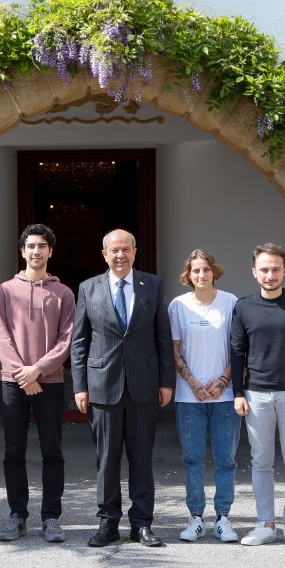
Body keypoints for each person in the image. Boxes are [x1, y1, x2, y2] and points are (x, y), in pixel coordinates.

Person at [71, 228, 173, 548]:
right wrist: (80, 386)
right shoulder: (88, 288)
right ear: (104, 255)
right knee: (107, 460)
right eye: (114, 250)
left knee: (142, 459)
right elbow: (79, 341)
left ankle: (142, 524)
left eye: (126, 249)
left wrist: (166, 381)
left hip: (144, 385)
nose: (120, 255)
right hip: (102, 386)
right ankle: (108, 523)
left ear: (135, 252)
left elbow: (163, 337)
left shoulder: (152, 285)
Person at [0, 223, 76, 543]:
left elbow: (67, 339)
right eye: (30, 246)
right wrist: (21, 373)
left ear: (50, 251)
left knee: (52, 450)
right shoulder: (4, 291)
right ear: (22, 251)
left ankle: (51, 517)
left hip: (50, 383)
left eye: (42, 246)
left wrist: (37, 370)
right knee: (14, 451)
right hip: (13, 383)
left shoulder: (63, 293)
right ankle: (17, 515)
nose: (36, 251)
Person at [231, 242, 285, 547]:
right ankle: (266, 523)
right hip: (256, 394)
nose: (270, 275)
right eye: (264, 269)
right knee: (261, 460)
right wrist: (238, 393)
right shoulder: (244, 307)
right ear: (254, 272)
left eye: (276, 269)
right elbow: (237, 352)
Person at [168, 249, 240, 543]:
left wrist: (223, 381)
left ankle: (223, 518)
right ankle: (196, 518)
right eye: (195, 270)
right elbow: (175, 351)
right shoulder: (178, 305)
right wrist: (194, 384)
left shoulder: (230, 302)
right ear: (188, 274)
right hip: (189, 398)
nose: (201, 275)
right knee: (193, 458)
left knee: (226, 459)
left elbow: (238, 348)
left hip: (225, 397)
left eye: (206, 269)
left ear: (215, 271)